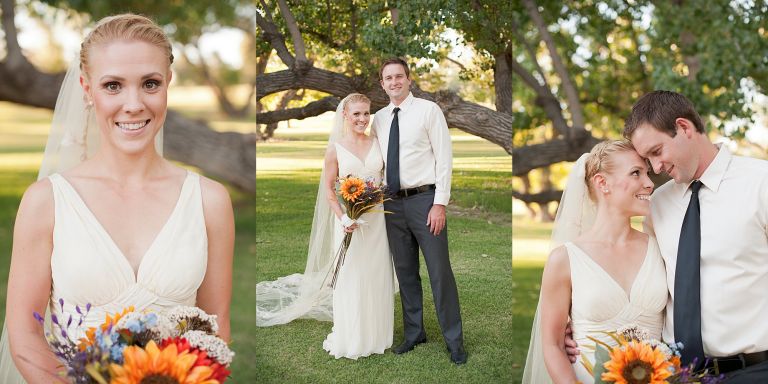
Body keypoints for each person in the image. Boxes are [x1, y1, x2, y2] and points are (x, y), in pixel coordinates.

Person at [0, 14, 234, 383]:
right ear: (87, 89)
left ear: (168, 83)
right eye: (113, 86)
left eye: (150, 84)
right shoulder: (47, 201)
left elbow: (214, 328)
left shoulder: (210, 201)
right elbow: (25, 335)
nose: (134, 103)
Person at [623, 90, 768, 382]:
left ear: (684, 128)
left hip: (755, 372)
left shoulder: (760, 183)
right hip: (678, 374)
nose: (656, 168)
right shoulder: (657, 205)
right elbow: (648, 286)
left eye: (656, 151)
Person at [256, 94, 395, 360]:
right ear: (345, 115)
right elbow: (329, 190)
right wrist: (344, 218)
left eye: (366, 113)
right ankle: (352, 335)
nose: (362, 119)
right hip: (348, 223)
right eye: (356, 114)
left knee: (377, 274)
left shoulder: (377, 142)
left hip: (377, 222)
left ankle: (378, 334)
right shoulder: (335, 148)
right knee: (352, 276)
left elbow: (384, 181)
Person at [522, 140, 667, 383]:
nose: (649, 183)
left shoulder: (660, 247)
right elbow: (553, 345)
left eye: (647, 173)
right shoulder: (564, 259)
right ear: (602, 183)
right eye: (636, 173)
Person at [371, 57, 465, 364]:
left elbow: (445, 159)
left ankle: (454, 340)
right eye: (389, 78)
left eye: (399, 76)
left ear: (409, 80)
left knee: (439, 273)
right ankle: (414, 333)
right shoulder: (380, 119)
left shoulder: (428, 110)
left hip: (425, 201)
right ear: (382, 83)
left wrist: (440, 203)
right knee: (406, 273)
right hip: (392, 204)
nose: (394, 82)